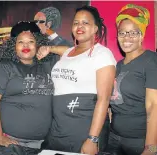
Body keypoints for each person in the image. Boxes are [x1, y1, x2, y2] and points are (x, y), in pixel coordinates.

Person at [37, 5, 116, 155]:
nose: (79, 26)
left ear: (95, 28)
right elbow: (67, 52)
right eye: (76, 22)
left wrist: (92, 139)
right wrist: (49, 48)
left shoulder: (102, 54)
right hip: (58, 127)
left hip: (83, 127)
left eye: (85, 23)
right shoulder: (67, 52)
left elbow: (103, 100)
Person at [0, 21, 57, 154]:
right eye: (20, 42)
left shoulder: (47, 65)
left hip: (41, 142)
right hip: (10, 140)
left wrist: (50, 49)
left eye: (30, 41)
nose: (25, 45)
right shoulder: (5, 67)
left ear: (38, 44)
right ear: (13, 46)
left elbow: (73, 52)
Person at [107, 4, 157, 155]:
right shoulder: (118, 65)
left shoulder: (152, 61)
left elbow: (155, 106)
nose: (127, 37)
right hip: (114, 139)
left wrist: (150, 148)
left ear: (142, 35)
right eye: (122, 33)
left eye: (133, 32)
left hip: (141, 142)